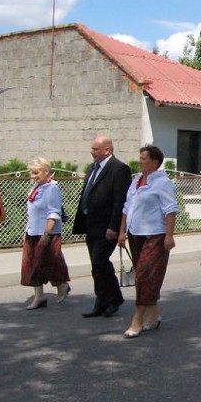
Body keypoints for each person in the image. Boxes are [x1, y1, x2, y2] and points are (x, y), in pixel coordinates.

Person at [117, 145, 178, 338]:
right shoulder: (136, 181)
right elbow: (126, 208)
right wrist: (122, 232)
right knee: (143, 278)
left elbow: (170, 210)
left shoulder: (163, 183)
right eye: (140, 158)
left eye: (144, 158)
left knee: (144, 275)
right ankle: (153, 314)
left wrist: (169, 235)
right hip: (136, 235)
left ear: (154, 162)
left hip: (156, 235)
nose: (140, 161)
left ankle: (137, 319)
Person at [73, 136, 132, 318]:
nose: (92, 152)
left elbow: (120, 200)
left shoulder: (119, 169)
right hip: (91, 224)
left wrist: (114, 227)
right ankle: (101, 301)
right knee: (96, 265)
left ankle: (114, 298)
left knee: (100, 261)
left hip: (107, 227)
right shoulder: (92, 168)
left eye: (96, 149)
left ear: (107, 150)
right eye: (92, 148)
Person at [21, 157, 70, 310]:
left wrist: (46, 234)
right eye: (32, 173)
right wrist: (26, 230)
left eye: (36, 173)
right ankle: (39, 296)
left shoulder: (52, 188)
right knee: (31, 265)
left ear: (46, 171)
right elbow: (31, 211)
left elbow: (53, 213)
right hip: (33, 231)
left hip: (47, 232)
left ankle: (62, 285)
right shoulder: (36, 188)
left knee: (47, 262)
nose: (33, 176)